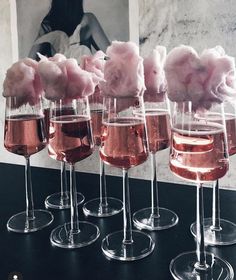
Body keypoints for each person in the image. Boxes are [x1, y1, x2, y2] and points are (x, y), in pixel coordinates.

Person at [29, 0, 110, 62]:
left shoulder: (47, 25)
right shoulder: (88, 20)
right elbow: (112, 57)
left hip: (58, 82)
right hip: (85, 81)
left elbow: (29, 63)